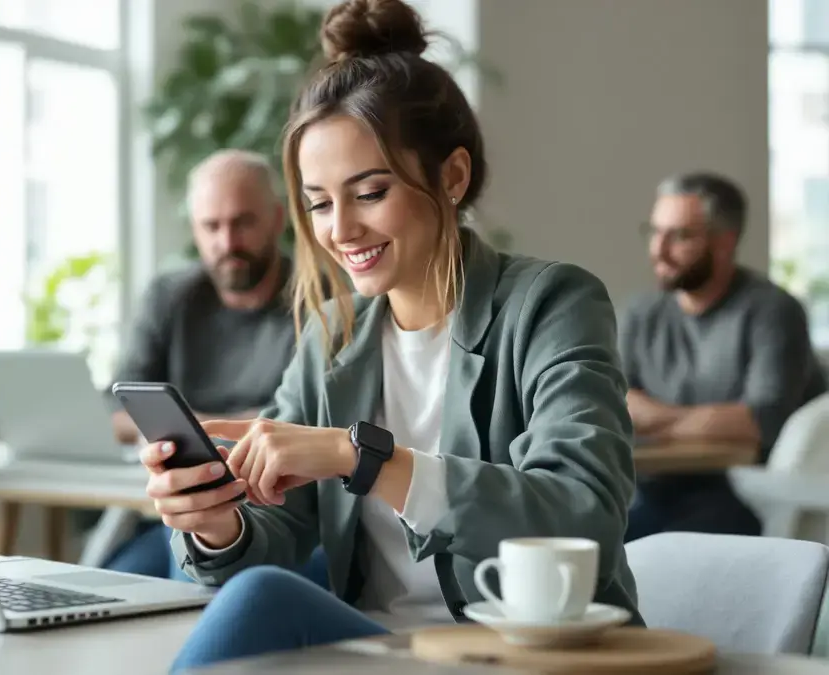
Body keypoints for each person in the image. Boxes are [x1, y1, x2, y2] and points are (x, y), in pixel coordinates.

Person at [138, 0, 643, 670]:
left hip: (528, 656)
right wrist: (215, 520)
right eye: (319, 202)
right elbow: (275, 531)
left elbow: (585, 516)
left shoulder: (551, 303)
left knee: (261, 601)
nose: (339, 230)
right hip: (382, 652)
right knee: (217, 581)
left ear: (452, 177)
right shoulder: (333, 336)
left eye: (369, 192)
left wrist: (362, 458)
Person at [99, 149, 328, 587]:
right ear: (195, 230)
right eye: (212, 226)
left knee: (182, 574)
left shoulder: (319, 299)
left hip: (278, 510)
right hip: (180, 504)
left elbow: (299, 426)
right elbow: (117, 408)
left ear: (278, 220)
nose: (228, 243)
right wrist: (210, 432)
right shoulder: (170, 296)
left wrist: (185, 426)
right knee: (106, 584)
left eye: (243, 223)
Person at [619, 172, 827, 541]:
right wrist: (708, 419)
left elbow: (760, 419)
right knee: (593, 535)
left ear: (724, 243)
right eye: (654, 231)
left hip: (742, 493)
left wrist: (655, 417)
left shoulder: (773, 312)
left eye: (679, 236)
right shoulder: (641, 313)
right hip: (651, 486)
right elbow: (616, 402)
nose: (659, 249)